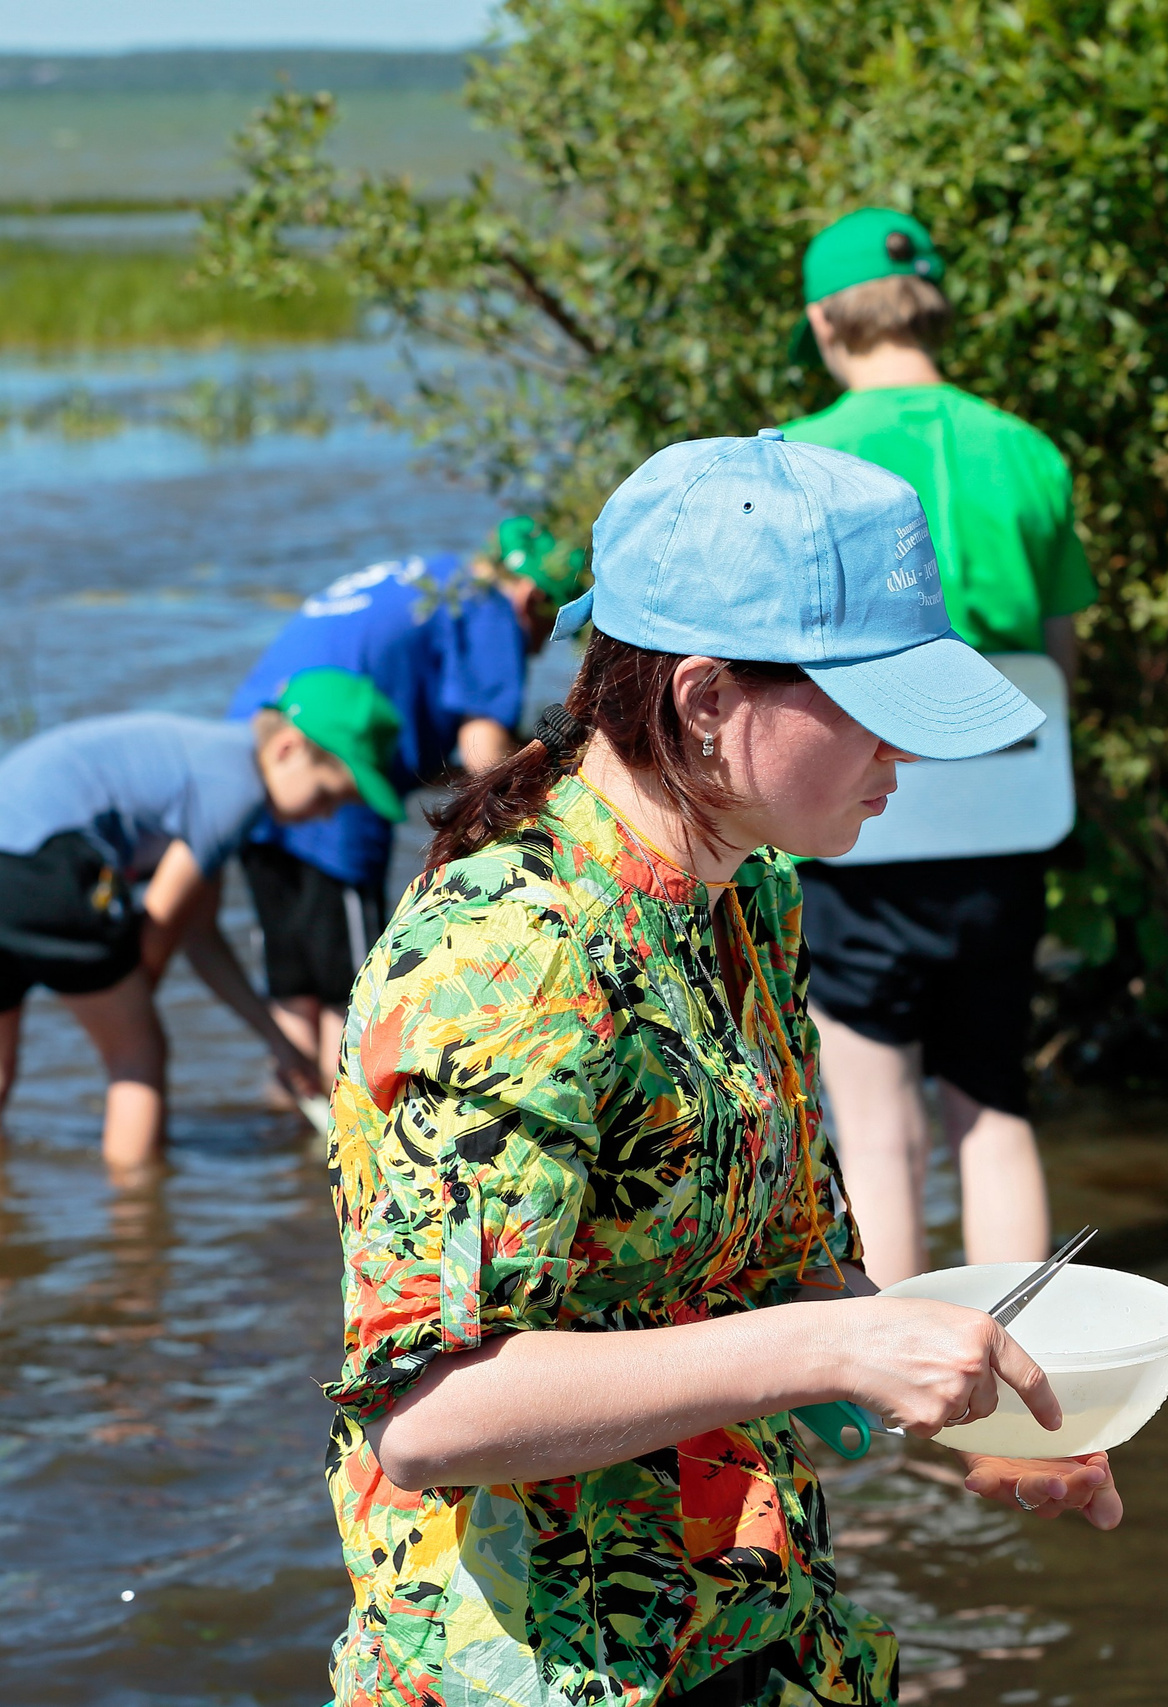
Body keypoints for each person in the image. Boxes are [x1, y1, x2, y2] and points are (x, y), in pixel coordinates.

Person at [322, 431, 1119, 1707]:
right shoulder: (505, 955)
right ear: (703, 700)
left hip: (748, 1629)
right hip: (539, 1674)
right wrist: (828, 1352)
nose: (899, 761)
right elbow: (430, 1418)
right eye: (870, 714)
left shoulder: (745, 891)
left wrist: (995, 1411)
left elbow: (790, 1278)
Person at [777, 207, 1097, 1282]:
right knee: (993, 1104)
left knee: (873, 1124)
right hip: (1009, 802)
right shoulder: (1029, 451)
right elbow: (1059, 662)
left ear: (826, 319)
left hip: (861, 807)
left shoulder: (797, 462)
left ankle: (896, 1409)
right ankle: (1020, 1381)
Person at [226, 517, 587, 1085]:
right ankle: (340, 1143)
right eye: (548, 624)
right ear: (532, 596)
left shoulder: (442, 576)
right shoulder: (491, 606)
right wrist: (543, 845)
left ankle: (292, 1141)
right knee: (351, 994)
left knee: (294, 979)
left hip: (258, 758)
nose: (537, 649)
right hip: (330, 770)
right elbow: (482, 752)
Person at [0, 670, 404, 1171]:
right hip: (49, 865)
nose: (325, 817)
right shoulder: (238, 789)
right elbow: (156, 933)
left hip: (11, 855)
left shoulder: (208, 763)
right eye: (327, 795)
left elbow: (201, 938)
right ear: (287, 750)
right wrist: (128, 1019)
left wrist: (280, 1045)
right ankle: (135, 1229)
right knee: (138, 1056)